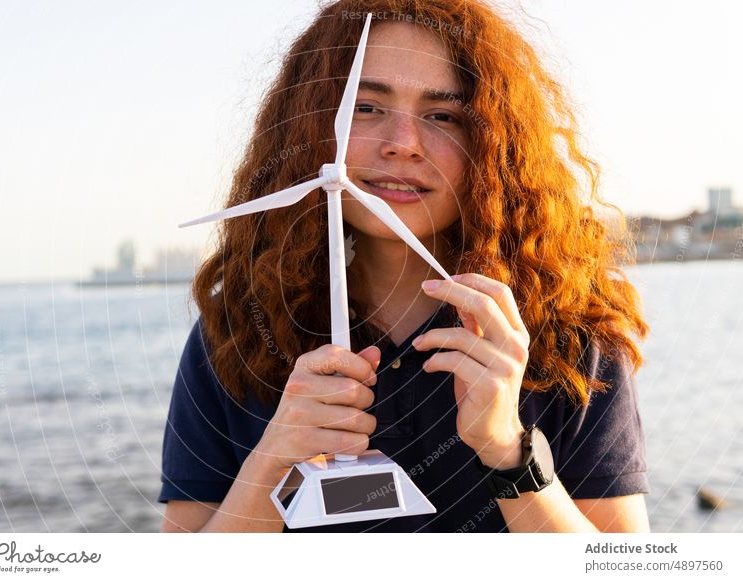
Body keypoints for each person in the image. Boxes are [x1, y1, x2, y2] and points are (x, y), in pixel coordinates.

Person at [158, 0, 651, 533]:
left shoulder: (573, 333)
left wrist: (508, 450)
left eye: (443, 116)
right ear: (310, 131)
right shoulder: (237, 332)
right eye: (366, 108)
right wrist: (274, 459)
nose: (403, 146)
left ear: (493, 144)